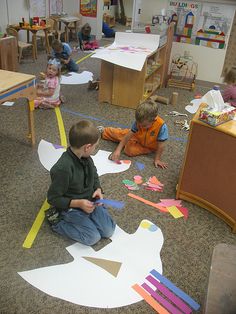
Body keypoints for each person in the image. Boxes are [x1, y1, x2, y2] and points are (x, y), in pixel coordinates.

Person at [47, 120, 116, 246]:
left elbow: (94, 174)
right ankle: (57, 223)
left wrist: (98, 188)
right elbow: (53, 198)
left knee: (109, 230)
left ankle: (88, 218)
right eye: (95, 146)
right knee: (92, 238)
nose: (95, 149)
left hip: (89, 201)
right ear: (87, 147)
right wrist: (78, 203)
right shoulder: (63, 168)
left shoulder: (86, 157)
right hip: (71, 207)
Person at [100, 100, 168, 169]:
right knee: (119, 133)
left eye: (144, 125)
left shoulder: (162, 126)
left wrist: (157, 159)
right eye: (138, 124)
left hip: (148, 147)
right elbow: (128, 136)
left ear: (154, 120)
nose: (140, 126)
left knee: (129, 151)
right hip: (137, 136)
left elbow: (161, 146)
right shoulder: (140, 122)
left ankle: (127, 141)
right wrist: (118, 150)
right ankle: (104, 131)